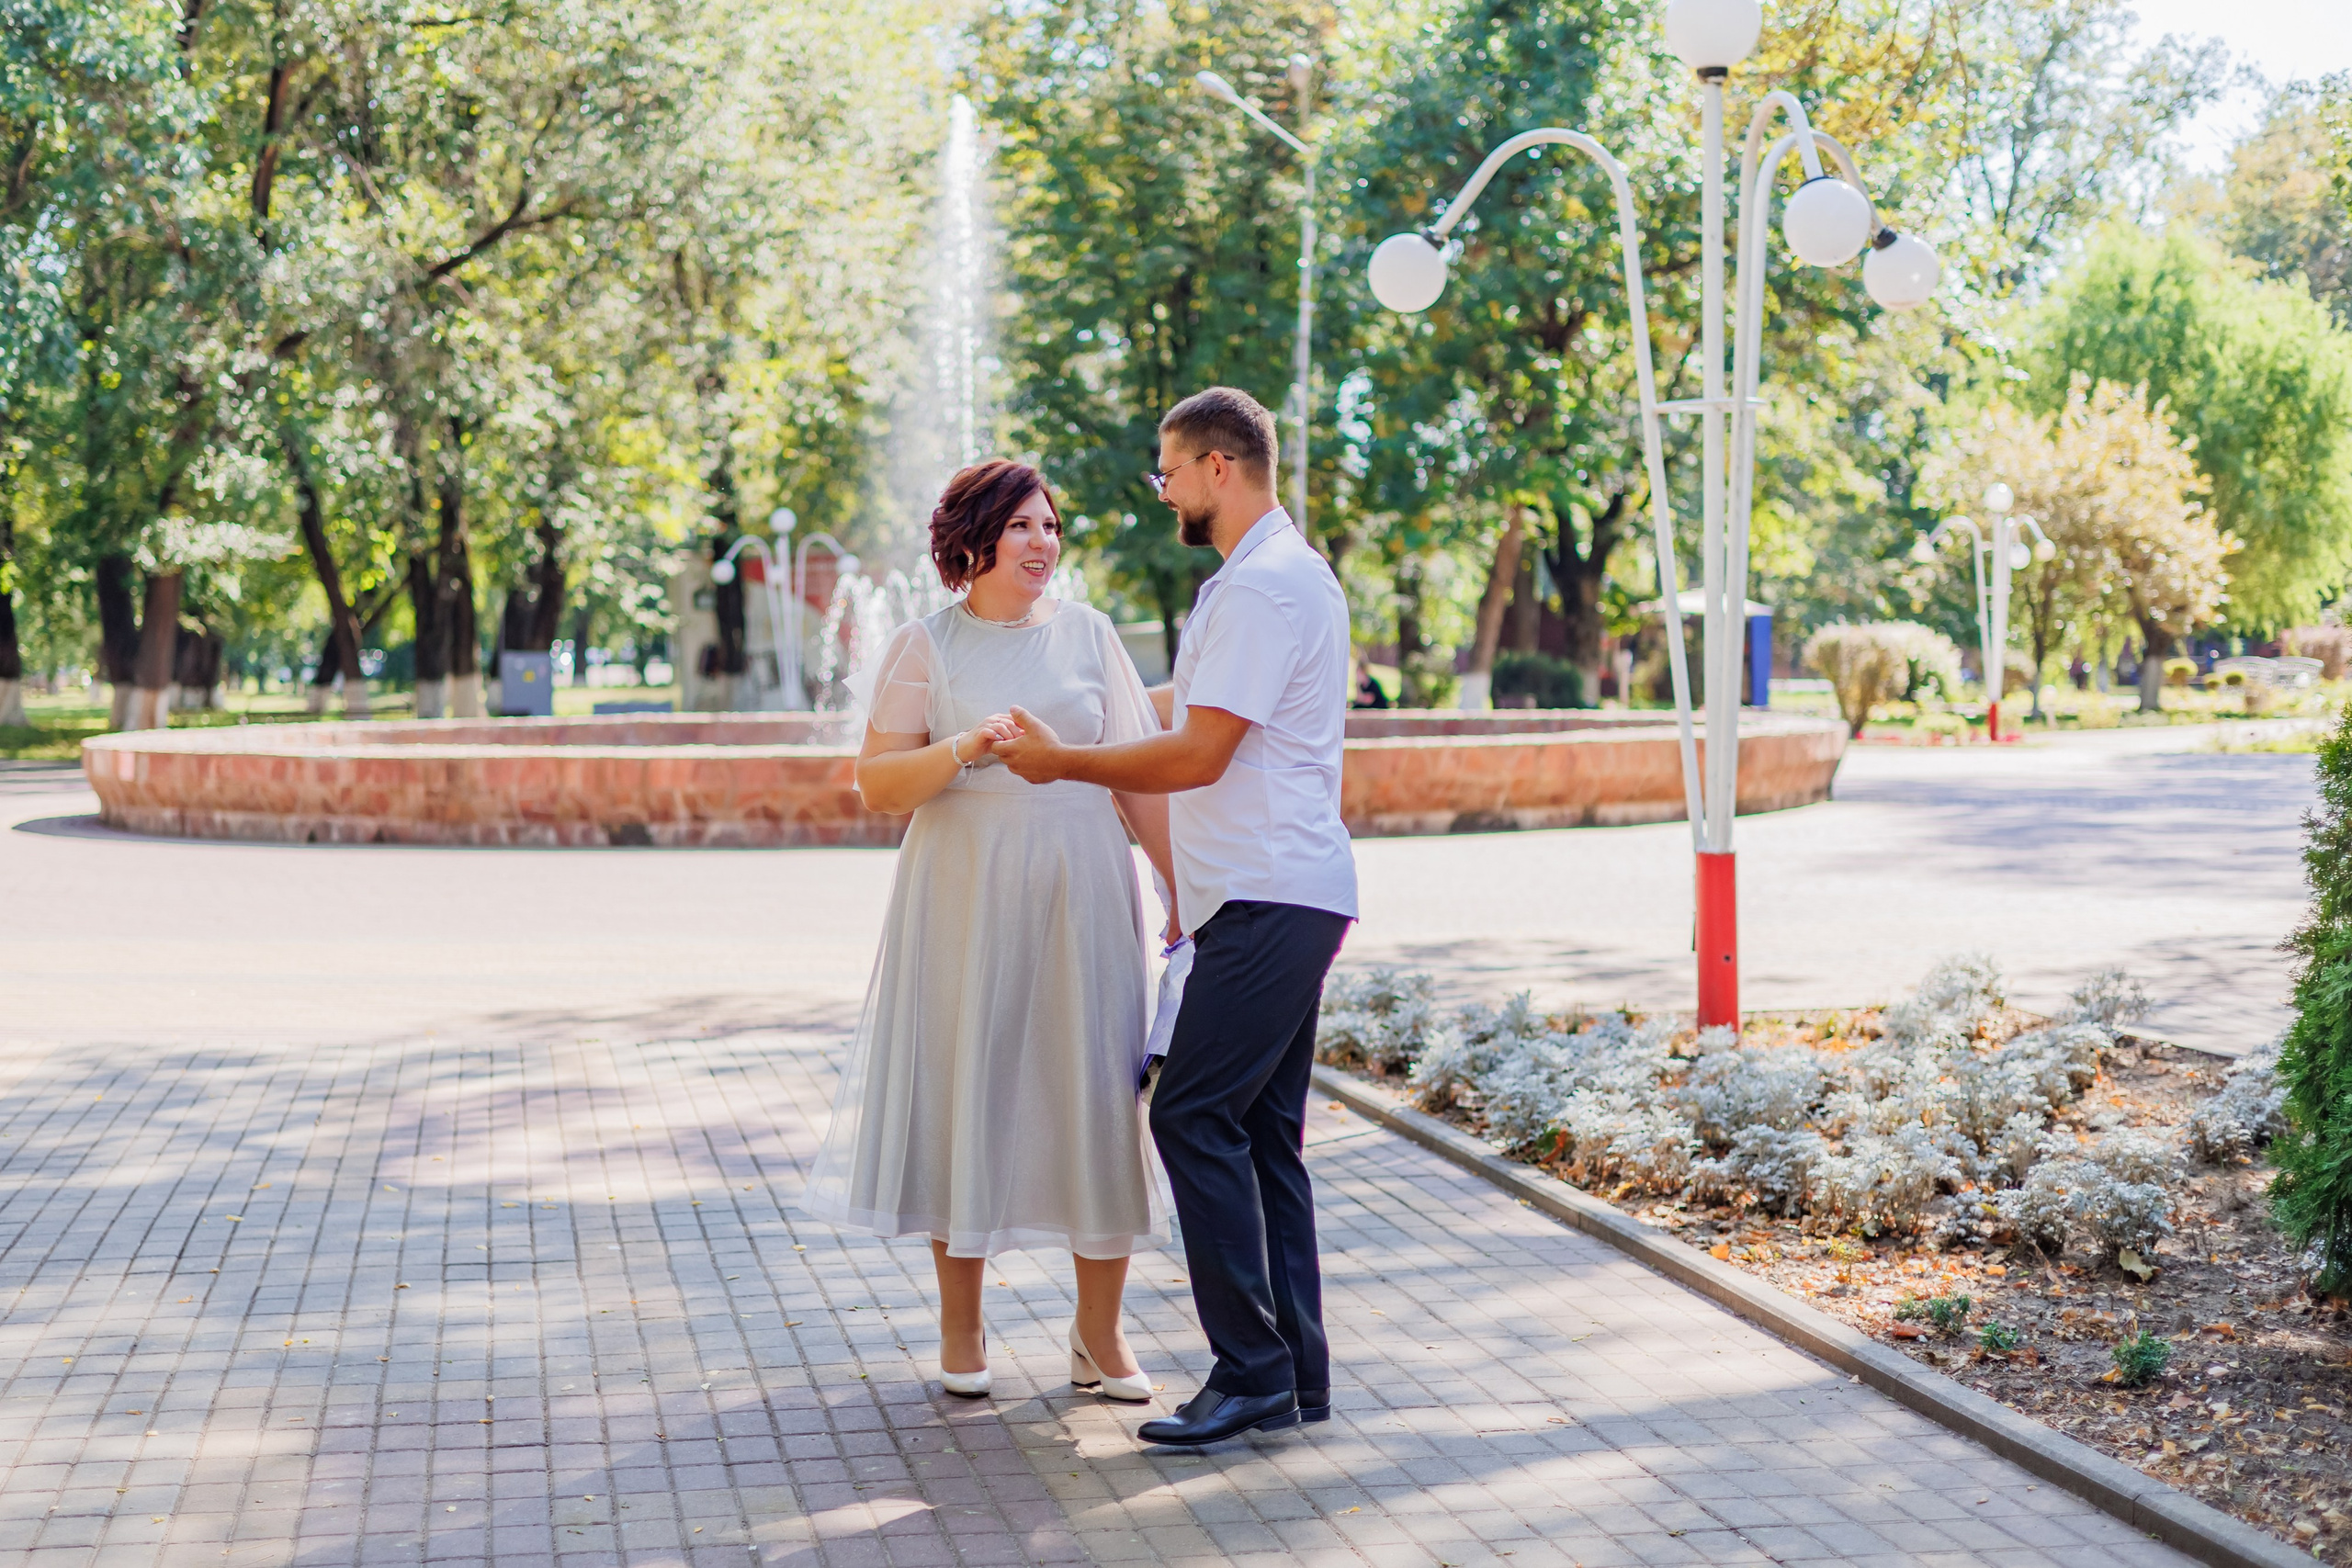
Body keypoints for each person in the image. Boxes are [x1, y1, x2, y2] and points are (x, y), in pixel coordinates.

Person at [996, 386, 1357, 1447]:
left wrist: (1064, 760)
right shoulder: (1275, 576)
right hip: (1283, 891)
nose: (1162, 493)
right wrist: (1085, 707)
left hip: (1262, 896)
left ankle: (1249, 1369)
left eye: (1167, 472)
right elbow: (1188, 713)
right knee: (1258, 1137)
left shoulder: (1257, 590)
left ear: (1216, 467)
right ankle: (1295, 1376)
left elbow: (1201, 754)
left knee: (1188, 1116)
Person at [798, 458, 1177, 1404]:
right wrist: (964, 747)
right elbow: (876, 785)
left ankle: (1100, 1336)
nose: (1041, 542)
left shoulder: (1092, 637)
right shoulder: (925, 646)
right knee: (963, 1085)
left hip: (1082, 887)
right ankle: (961, 1330)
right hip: (960, 891)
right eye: (1020, 526)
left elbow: (1134, 774)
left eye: (1050, 526)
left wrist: (1181, 892)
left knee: (1095, 1092)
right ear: (972, 539)